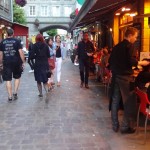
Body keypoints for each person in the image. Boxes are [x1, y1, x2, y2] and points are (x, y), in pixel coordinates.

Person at [109, 27, 149, 134]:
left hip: (116, 76)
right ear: (130, 36)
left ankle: (115, 125)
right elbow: (130, 60)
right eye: (135, 37)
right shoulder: (129, 46)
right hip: (125, 78)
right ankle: (125, 127)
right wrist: (140, 63)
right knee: (129, 102)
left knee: (115, 101)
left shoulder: (116, 46)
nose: (136, 39)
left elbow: (110, 61)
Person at [0, 28, 25, 102]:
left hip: (6, 62)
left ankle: (10, 96)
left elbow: (1, 54)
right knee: (17, 77)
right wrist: (23, 61)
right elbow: (20, 52)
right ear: (13, 34)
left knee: (8, 79)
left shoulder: (2, 42)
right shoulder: (17, 41)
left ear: (7, 34)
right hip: (16, 62)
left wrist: (0, 63)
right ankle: (15, 92)